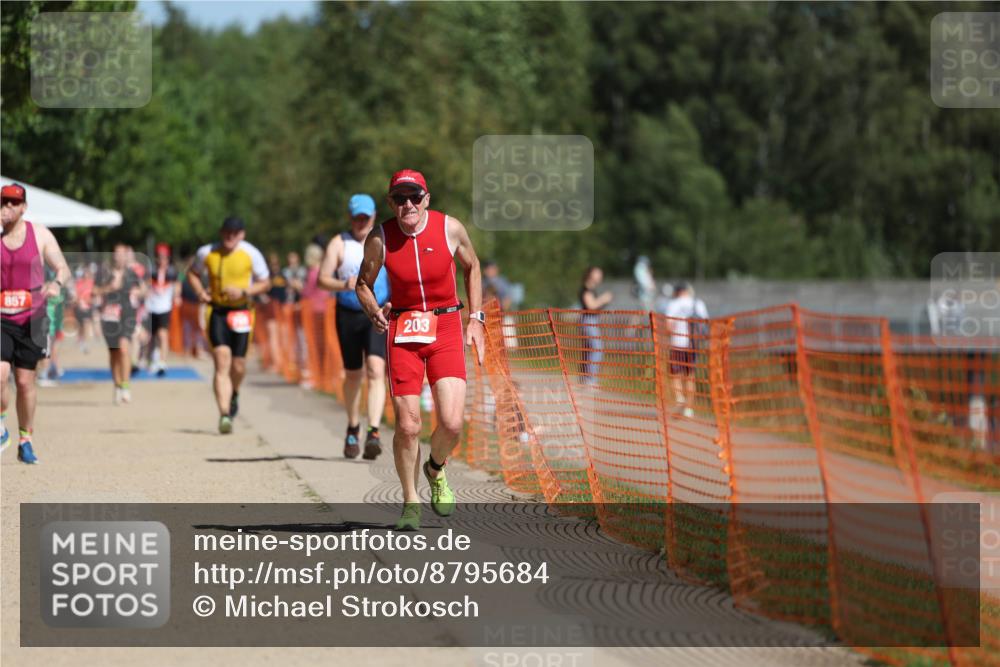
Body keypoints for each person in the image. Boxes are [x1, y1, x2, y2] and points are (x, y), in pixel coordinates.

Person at [357, 170, 485, 530]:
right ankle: (411, 501)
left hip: (445, 325)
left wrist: (476, 319)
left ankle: (435, 468)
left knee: (452, 423)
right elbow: (362, 284)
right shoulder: (380, 237)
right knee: (408, 425)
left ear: (426, 199)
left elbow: (473, 266)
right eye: (400, 199)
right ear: (391, 203)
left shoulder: (450, 228)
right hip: (403, 329)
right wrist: (373, 311)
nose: (408, 205)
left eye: (415, 197)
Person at [1, 183, 72, 463]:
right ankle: (1, 426)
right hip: (1, 317)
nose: (8, 207)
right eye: (3, 202)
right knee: (0, 374)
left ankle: (25, 440)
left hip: (33, 317)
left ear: (24, 208)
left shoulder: (40, 234)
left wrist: (56, 283)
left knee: (24, 381)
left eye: (13, 203)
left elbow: (62, 267)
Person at [319, 194, 391, 460]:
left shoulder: (384, 240)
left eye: (366, 218)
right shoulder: (339, 243)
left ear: (373, 217)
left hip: (377, 312)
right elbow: (322, 279)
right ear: (350, 218)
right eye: (357, 218)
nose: (361, 223)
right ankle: (353, 426)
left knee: (375, 369)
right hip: (348, 314)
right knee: (353, 374)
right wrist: (343, 284)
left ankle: (374, 431)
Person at [187, 217, 270, 434]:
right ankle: (224, 414)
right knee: (222, 360)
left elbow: (265, 282)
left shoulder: (251, 254)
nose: (230, 237)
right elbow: (192, 273)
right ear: (221, 232)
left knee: (239, 364)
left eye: (234, 233)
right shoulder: (207, 252)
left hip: (242, 312)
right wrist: (200, 292)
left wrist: (244, 292)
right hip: (217, 311)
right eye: (226, 232)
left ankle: (234, 393)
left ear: (242, 234)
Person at [93, 244, 145, 405]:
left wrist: (138, 292)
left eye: (123, 254)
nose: (120, 257)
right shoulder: (104, 273)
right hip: (109, 316)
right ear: (113, 256)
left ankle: (126, 386)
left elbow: (143, 290)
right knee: (114, 353)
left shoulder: (131, 273)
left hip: (127, 315)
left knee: (124, 348)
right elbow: (94, 291)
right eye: (117, 254)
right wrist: (109, 288)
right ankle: (117, 385)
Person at [664, 281, 709, 418]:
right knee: (690, 376)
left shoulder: (673, 304)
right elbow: (705, 324)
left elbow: (668, 327)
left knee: (675, 374)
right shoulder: (698, 303)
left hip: (677, 343)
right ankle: (689, 409)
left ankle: (680, 398)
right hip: (693, 345)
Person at [145, 243, 180, 377]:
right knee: (151, 337)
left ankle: (163, 362)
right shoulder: (152, 271)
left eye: (164, 257)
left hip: (164, 308)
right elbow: (146, 286)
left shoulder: (172, 272)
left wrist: (176, 296)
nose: (162, 260)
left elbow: (177, 286)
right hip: (151, 307)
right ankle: (152, 359)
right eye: (159, 257)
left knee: (162, 334)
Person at [578, 266, 612, 387]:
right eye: (597, 274)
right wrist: (603, 299)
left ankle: (585, 378)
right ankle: (590, 379)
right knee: (596, 348)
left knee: (589, 349)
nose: (600, 277)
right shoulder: (586, 290)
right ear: (590, 275)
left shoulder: (591, 290)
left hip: (592, 320)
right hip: (588, 320)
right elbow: (591, 306)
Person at [73, 264, 96, 354]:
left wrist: (92, 300)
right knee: (81, 326)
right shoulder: (79, 283)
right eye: (85, 273)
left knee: (86, 324)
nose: (86, 275)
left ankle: (84, 344)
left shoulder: (92, 282)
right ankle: (80, 339)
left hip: (88, 307)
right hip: (79, 307)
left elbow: (95, 294)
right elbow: (76, 294)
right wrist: (78, 302)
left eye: (88, 273)